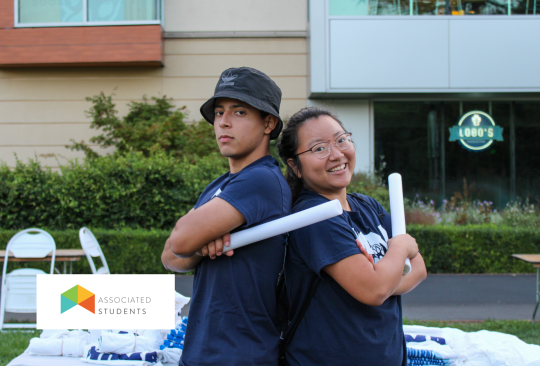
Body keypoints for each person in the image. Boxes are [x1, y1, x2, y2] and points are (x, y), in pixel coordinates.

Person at [161, 67, 292, 366]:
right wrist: (201, 244)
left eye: (239, 112)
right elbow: (170, 257)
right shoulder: (220, 185)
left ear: (268, 123)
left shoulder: (261, 180)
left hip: (239, 355)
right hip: (202, 350)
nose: (223, 122)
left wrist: (194, 240)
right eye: (219, 112)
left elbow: (180, 239)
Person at [277, 107, 427, 366]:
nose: (336, 154)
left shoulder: (367, 206)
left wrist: (382, 280)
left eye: (341, 140)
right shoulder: (314, 217)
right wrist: (399, 250)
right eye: (318, 149)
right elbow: (374, 289)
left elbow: (418, 270)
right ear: (295, 166)